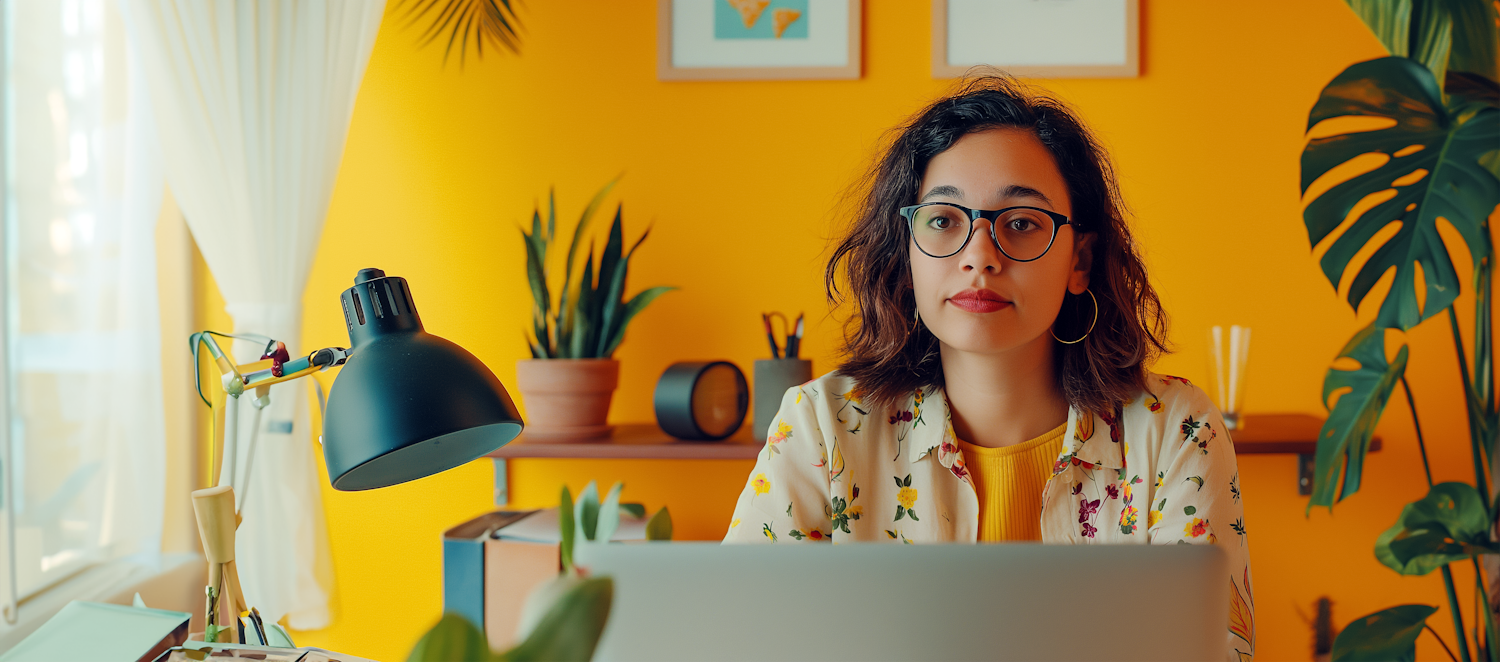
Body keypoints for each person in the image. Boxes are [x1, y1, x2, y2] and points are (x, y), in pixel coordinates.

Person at [724, 74, 1255, 662]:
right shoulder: (822, 427)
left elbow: (1216, 651)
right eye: (944, 220)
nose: (980, 255)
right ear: (908, 253)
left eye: (1022, 222)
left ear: (1079, 260)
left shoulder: (1176, 429)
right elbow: (741, 637)